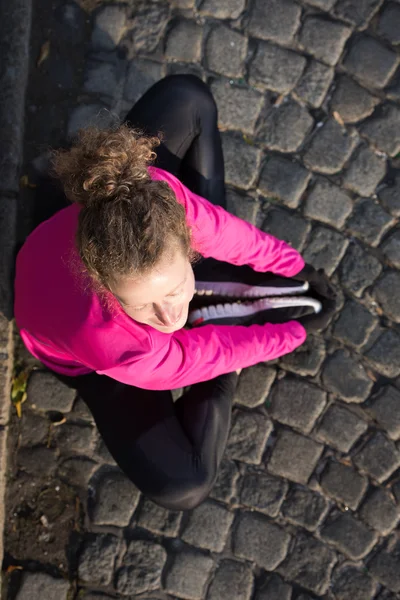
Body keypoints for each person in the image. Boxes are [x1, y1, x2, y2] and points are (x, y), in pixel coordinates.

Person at [14, 75, 336, 510]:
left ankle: (216, 286)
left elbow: (234, 236)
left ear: (188, 241)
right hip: (82, 356)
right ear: (102, 284)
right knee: (185, 484)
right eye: (143, 305)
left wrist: (293, 264)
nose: (170, 320)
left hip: (81, 230)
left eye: (177, 288)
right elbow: (200, 357)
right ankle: (225, 305)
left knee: (189, 97)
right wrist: (288, 336)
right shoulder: (121, 346)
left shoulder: (159, 197)